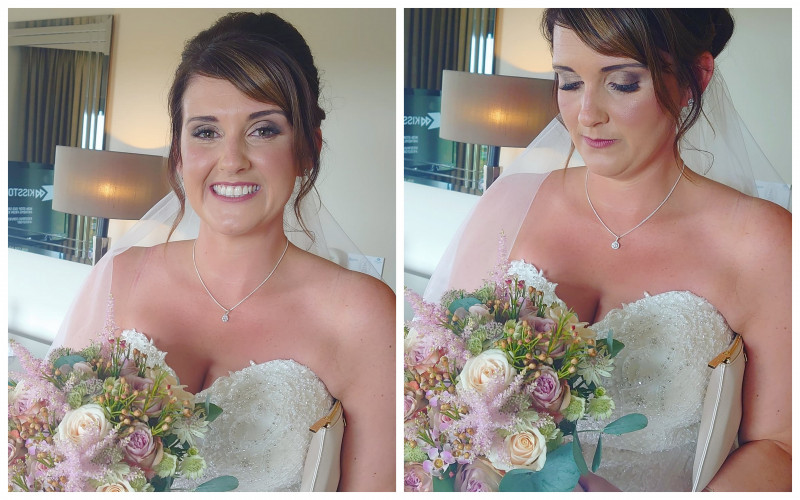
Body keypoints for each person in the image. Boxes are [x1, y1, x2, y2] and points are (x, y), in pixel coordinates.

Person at [425, 8, 790, 491]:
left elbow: (782, 446)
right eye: (569, 82)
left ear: (694, 79)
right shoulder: (507, 202)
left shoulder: (761, 240)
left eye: (622, 83)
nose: (586, 114)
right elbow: (437, 391)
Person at [54, 11, 395, 492]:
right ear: (178, 152)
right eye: (206, 132)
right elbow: (55, 467)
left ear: (307, 149)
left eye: (263, 130)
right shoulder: (119, 278)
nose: (231, 160)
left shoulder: (361, 314)